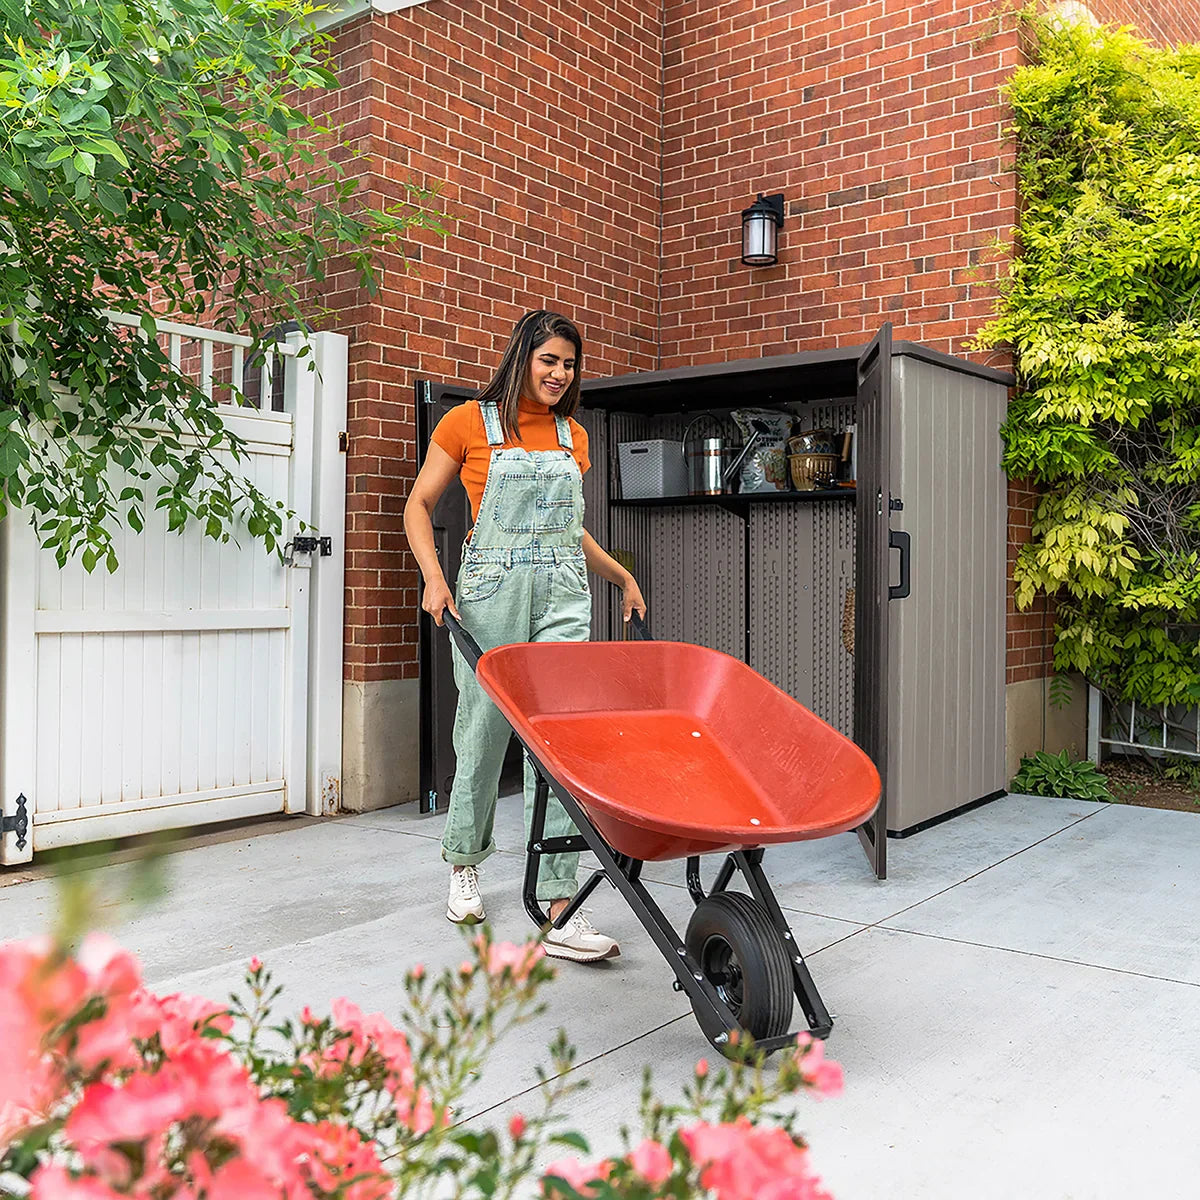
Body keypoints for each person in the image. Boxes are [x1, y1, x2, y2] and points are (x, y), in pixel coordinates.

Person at [403, 310, 647, 962]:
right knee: (482, 732)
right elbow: (417, 506)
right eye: (549, 361)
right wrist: (433, 578)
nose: (559, 373)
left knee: (561, 740)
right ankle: (463, 860)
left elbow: (568, 532)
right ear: (523, 359)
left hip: (563, 594)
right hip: (490, 595)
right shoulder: (467, 424)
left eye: (569, 364)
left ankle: (560, 903)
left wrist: (620, 574)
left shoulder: (574, 436)